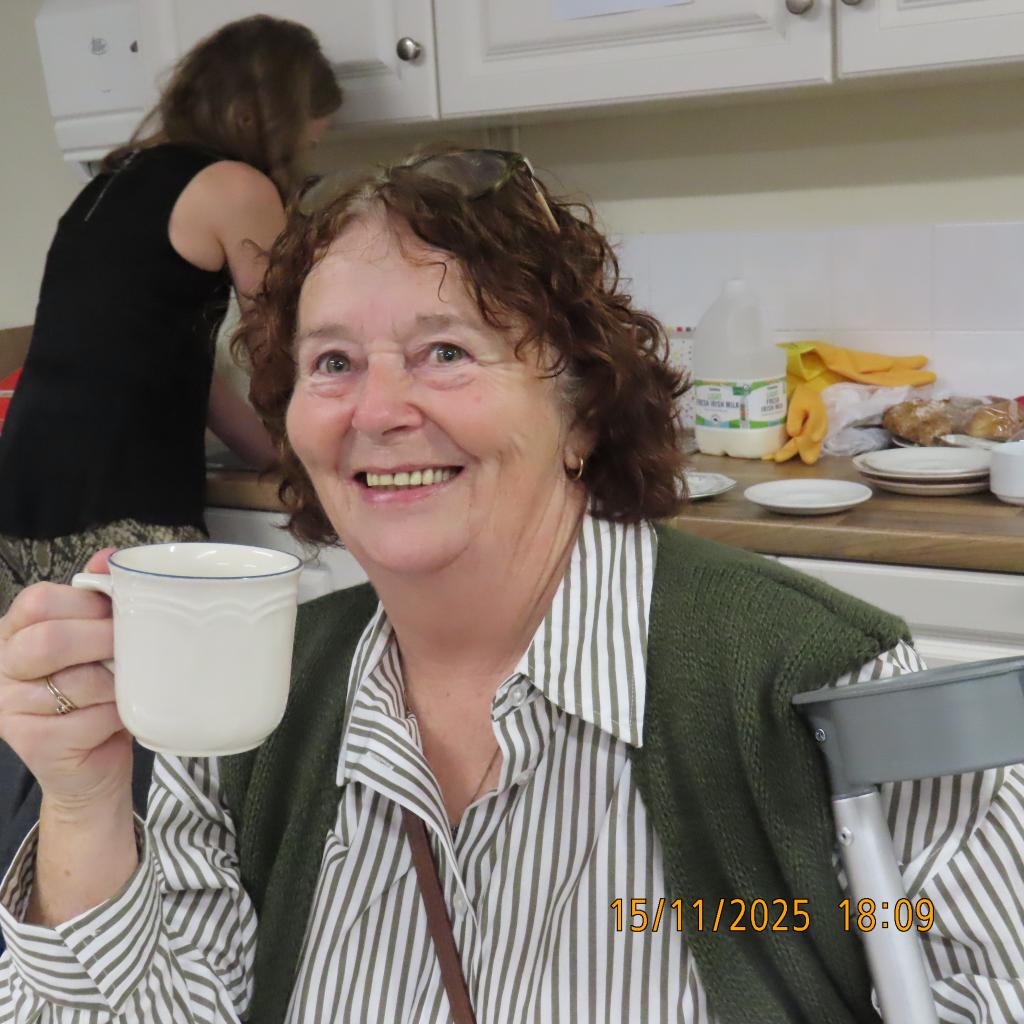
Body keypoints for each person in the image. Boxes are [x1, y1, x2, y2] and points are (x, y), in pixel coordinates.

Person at [0, 148, 1021, 1023]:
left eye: (445, 351)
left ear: (582, 408)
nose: (377, 410)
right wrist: (84, 802)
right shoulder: (253, 710)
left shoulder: (817, 686)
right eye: (332, 362)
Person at [0, 16, 341, 897]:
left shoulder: (112, 184)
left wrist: (282, 455)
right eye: (313, 134)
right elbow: (289, 349)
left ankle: (42, 937)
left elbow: (195, 372)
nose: (310, 150)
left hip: (27, 485)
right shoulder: (238, 186)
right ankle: (144, 934)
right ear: (276, 111)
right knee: (147, 761)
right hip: (123, 499)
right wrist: (329, 455)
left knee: (46, 745)